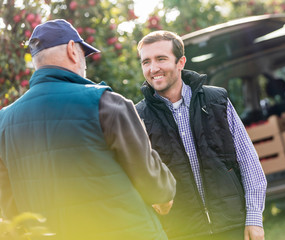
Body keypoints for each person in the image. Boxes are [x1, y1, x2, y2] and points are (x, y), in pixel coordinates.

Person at [0, 19, 176, 240]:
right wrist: (165, 193)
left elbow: (10, 211)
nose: (85, 63)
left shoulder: (3, 122)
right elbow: (156, 187)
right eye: (84, 54)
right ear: (73, 50)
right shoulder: (106, 102)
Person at [136, 30, 267, 240]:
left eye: (161, 59)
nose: (153, 68)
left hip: (232, 225)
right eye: (146, 62)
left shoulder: (217, 100)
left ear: (181, 62)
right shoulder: (138, 117)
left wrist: (253, 217)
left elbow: (248, 161)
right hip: (181, 233)